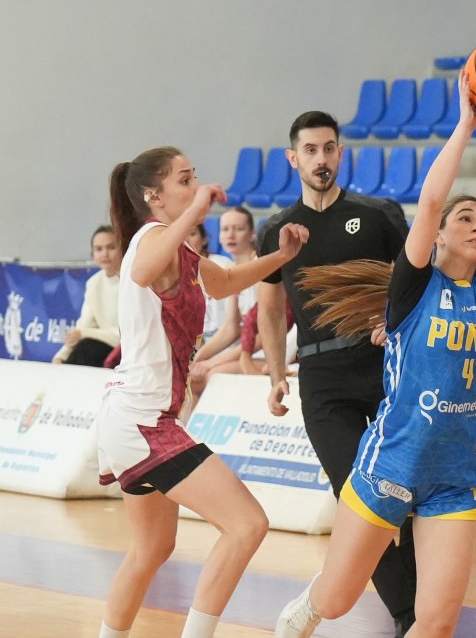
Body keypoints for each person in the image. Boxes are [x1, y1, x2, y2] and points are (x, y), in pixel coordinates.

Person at [273, 74, 476, 638]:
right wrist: (466, 125)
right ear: (439, 238)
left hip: (455, 473)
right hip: (392, 464)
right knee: (336, 600)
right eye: (466, 221)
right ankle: (310, 606)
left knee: (435, 622)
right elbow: (432, 198)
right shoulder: (413, 283)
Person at [98, 147, 308, 638]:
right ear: (155, 196)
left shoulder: (181, 252)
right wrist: (197, 210)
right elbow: (144, 270)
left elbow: (227, 281)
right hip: (143, 418)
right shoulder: (149, 239)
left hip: (137, 417)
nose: (196, 185)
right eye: (185, 179)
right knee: (247, 525)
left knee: (151, 549)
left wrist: (280, 258)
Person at [256, 110, 417, 634]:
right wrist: (278, 372)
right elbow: (271, 310)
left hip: (384, 371)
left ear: (339, 153)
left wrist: (390, 320)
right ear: (293, 158)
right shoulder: (276, 232)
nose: (320, 159)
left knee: (404, 495)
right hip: (321, 381)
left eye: (329, 149)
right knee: (358, 500)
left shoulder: (378, 215)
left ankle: (422, 610)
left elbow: (417, 283)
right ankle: (407, 614)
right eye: (310, 150)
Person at [190, 207, 261, 394]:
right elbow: (231, 329)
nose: (231, 235)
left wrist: (212, 362)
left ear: (252, 234)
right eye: (225, 229)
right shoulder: (231, 271)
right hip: (246, 351)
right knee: (188, 375)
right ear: (219, 236)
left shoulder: (261, 267)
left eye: (238, 229)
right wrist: (196, 359)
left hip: (269, 352)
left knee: (213, 374)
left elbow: (266, 333)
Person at [54, 225, 121, 366]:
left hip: (130, 350)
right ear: (93, 255)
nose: (104, 254)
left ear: (123, 249)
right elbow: (84, 324)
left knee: (89, 347)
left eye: (111, 247)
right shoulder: (93, 283)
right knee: (83, 348)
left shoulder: (133, 281)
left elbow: (129, 335)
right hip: (104, 345)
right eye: (98, 249)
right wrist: (61, 357)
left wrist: (84, 333)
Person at [187, 222, 234, 343]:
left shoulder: (222, 264)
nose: (186, 240)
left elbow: (233, 322)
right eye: (181, 235)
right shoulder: (176, 273)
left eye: (192, 234)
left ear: (204, 239)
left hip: (226, 343)